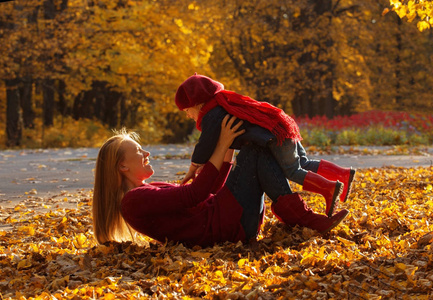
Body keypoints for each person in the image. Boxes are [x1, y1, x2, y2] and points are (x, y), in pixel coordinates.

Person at [92, 116, 349, 247]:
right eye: (138, 152)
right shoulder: (134, 202)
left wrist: (226, 150)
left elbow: (208, 191)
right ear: (122, 166)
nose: (146, 154)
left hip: (230, 220)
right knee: (255, 150)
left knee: (254, 149)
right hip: (227, 225)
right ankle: (304, 218)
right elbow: (195, 196)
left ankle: (303, 216)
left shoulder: (144, 192)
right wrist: (224, 142)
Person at [176, 74, 356, 218]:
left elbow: (205, 145)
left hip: (274, 135)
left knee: (292, 171)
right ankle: (342, 174)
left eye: (187, 111)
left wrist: (194, 166)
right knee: (302, 163)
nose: (187, 116)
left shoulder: (211, 115)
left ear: (197, 104)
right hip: (280, 126)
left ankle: (329, 188)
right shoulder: (224, 103)